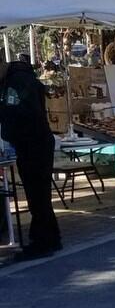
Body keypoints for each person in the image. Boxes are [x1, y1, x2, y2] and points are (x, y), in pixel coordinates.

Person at [0, 53, 62, 260]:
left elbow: (18, 111)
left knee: (37, 195)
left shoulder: (18, 81)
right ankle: (51, 238)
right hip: (31, 142)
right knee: (39, 195)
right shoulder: (16, 78)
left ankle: (43, 241)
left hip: (34, 143)